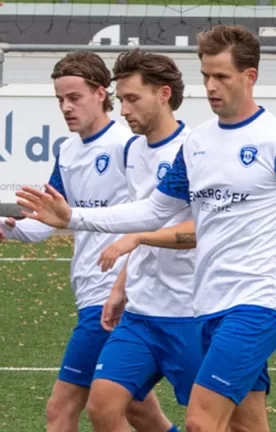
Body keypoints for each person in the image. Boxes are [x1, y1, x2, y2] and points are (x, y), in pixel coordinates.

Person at [11, 24, 276, 432]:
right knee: (246, 425)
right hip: (205, 307)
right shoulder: (198, 143)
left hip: (258, 305)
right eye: (206, 75)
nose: (210, 86)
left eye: (221, 76)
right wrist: (73, 219)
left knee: (201, 423)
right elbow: (153, 211)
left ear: (249, 76)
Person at [0, 51, 173, 432]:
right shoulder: (67, 151)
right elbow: (58, 217)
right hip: (90, 290)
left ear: (101, 94)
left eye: (74, 98)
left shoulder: (129, 145)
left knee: (61, 411)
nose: (66, 108)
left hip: (111, 294)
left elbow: (156, 215)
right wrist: (13, 228)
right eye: (60, 99)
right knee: (138, 411)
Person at [77, 49, 196, 432]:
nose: (123, 109)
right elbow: (143, 217)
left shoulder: (196, 150)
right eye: (121, 98)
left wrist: (138, 238)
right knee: (103, 406)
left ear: (164, 94)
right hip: (142, 313)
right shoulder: (132, 151)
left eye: (132, 98)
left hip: (191, 311)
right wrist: (120, 287)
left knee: (216, 422)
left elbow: (199, 233)